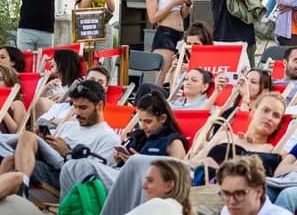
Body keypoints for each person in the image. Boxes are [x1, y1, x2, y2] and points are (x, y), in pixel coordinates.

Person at [59, 90, 189, 198]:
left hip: (140, 184)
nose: (144, 126)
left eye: (148, 122)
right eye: (141, 121)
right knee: (71, 165)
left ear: (163, 119)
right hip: (120, 174)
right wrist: (119, 158)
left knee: (83, 165)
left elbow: (178, 174)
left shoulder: (173, 142)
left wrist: (140, 162)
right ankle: (69, 208)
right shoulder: (139, 136)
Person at [0, 80, 118, 195]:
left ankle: (21, 190)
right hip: (51, 166)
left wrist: (67, 152)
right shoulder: (68, 126)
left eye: (83, 108)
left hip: (67, 178)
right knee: (10, 158)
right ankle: (10, 200)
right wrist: (45, 141)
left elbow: (95, 177)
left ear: (99, 105)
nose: (77, 112)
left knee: (25, 139)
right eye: (75, 107)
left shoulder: (108, 137)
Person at [191, 93, 288, 177]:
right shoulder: (224, 136)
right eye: (265, 110)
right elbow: (193, 163)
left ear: (278, 125)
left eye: (276, 116)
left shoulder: (275, 152)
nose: (269, 117)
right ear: (253, 112)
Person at [146, 0, 193, 84]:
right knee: (162, 77)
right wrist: (173, 3)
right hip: (165, 34)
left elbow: (183, 15)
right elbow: (153, 18)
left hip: (180, 33)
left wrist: (187, 4)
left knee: (178, 78)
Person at [218, 155, 292, 215]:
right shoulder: (226, 212)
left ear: (259, 191)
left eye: (239, 194)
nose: (231, 201)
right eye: (226, 193)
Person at [124, 160, 193, 215]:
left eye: (150, 180)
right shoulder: (176, 209)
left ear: (168, 186)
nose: (144, 186)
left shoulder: (161, 206)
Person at [33, 48, 82, 119]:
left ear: (63, 62)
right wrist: (46, 88)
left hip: (69, 115)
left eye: (54, 59)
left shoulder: (79, 82)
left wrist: (69, 98)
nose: (50, 62)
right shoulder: (44, 81)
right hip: (48, 114)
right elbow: (33, 103)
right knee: (41, 102)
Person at [0, 65, 26, 133]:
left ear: (10, 83)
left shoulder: (16, 104)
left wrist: (3, 110)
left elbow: (18, 134)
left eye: (0, 79)